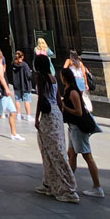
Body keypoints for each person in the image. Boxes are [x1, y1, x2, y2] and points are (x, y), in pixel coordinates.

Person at [33, 54, 78, 202]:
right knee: (52, 150)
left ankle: (68, 189)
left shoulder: (41, 78)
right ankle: (49, 184)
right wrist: (61, 115)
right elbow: (58, 100)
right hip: (56, 115)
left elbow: (41, 99)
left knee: (52, 152)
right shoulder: (53, 79)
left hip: (47, 116)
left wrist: (36, 118)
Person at [60, 65, 104, 198]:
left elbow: (79, 112)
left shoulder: (73, 92)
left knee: (87, 156)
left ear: (64, 78)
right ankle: (69, 183)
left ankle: (97, 187)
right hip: (73, 127)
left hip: (79, 127)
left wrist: (64, 107)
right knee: (72, 155)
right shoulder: (68, 90)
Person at [11, 50, 34, 123]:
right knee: (27, 100)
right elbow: (28, 75)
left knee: (17, 100)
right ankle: (28, 116)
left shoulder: (13, 64)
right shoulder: (25, 65)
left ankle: (18, 114)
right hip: (25, 85)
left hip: (17, 84)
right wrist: (31, 73)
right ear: (22, 57)